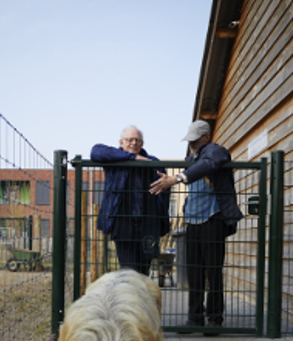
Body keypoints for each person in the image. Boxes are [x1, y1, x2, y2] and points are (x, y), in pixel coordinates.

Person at [150, 120, 243, 330]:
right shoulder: (190, 158)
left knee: (213, 271)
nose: (192, 144)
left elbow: (209, 164)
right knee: (194, 271)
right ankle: (195, 318)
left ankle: (214, 319)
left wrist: (177, 178)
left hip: (213, 218)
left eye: (196, 140)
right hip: (191, 220)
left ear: (207, 136)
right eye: (190, 140)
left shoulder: (217, 151)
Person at [91, 126, 170, 276]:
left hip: (148, 225)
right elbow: (95, 151)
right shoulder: (114, 160)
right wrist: (131, 158)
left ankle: (142, 299)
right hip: (123, 226)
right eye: (129, 140)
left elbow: (164, 193)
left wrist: (162, 221)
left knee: (144, 272)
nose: (134, 143)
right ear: (121, 142)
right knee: (128, 272)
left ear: (142, 143)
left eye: (137, 140)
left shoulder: (152, 162)